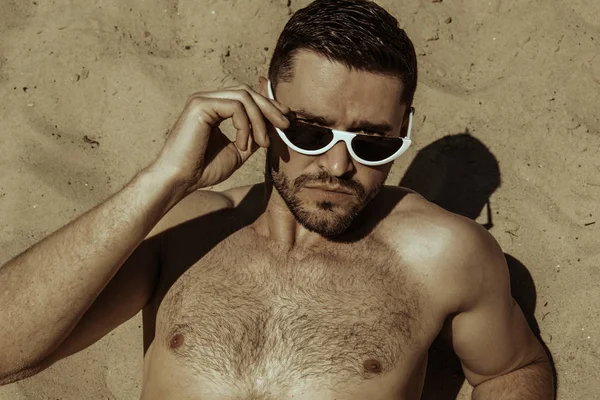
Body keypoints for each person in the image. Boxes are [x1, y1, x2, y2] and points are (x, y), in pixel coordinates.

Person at [0, 0, 553, 398]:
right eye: (310, 132)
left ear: (404, 127)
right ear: (265, 102)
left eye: (373, 142)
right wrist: (164, 179)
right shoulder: (183, 232)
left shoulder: (441, 253)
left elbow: (510, 369)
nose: (338, 166)